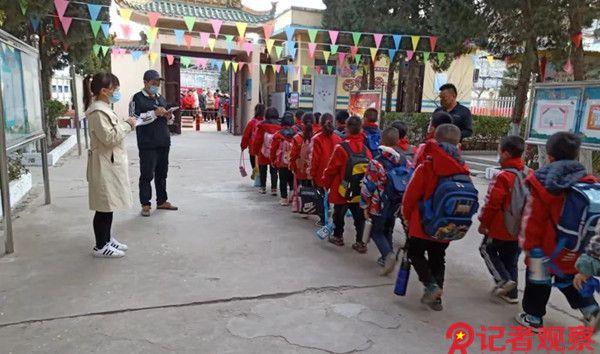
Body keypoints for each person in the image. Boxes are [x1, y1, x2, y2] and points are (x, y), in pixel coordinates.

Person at [516, 132, 600, 331]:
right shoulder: (586, 181)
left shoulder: (542, 181)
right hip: (573, 247)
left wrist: (529, 246)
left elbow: (533, 218)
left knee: (538, 283)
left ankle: (533, 318)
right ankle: (591, 311)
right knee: (571, 280)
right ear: (576, 156)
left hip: (543, 249)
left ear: (549, 156)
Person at [402, 124, 470, 311]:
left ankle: (430, 284)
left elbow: (410, 196)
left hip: (422, 223)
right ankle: (437, 298)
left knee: (415, 253)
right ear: (458, 143)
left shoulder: (427, 166)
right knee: (438, 257)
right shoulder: (463, 168)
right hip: (447, 224)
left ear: (435, 139)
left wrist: (406, 216)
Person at [84, 72, 136, 258]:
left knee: (109, 204)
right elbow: (109, 137)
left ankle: (106, 239)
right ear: (104, 91)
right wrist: (128, 125)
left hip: (109, 161)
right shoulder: (98, 112)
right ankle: (100, 246)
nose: (117, 92)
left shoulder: (104, 108)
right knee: (103, 205)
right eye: (115, 89)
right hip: (103, 163)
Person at [478, 136, 527, 304]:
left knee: (486, 249)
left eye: (499, 151)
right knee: (511, 258)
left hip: (500, 227)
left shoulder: (503, 176)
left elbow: (492, 203)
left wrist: (484, 223)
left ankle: (503, 280)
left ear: (505, 154)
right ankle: (511, 294)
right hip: (520, 228)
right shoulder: (528, 174)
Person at [129, 69, 178, 217]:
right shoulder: (136, 99)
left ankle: (162, 200)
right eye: (153, 83)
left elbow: (169, 120)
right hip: (147, 143)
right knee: (147, 174)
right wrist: (154, 114)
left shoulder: (160, 98)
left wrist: (169, 116)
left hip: (163, 141)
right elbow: (134, 120)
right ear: (145, 82)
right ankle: (145, 203)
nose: (156, 85)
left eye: (158, 83)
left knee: (162, 173)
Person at [361, 127, 409, 275]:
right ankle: (385, 256)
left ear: (382, 140)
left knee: (376, 231)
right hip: (396, 201)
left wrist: (364, 204)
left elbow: (369, 185)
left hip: (379, 202)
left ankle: (388, 254)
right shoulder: (404, 160)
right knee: (388, 228)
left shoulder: (376, 161)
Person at [323, 116, 371, 253]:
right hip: (359, 189)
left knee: (339, 214)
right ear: (360, 129)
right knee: (359, 216)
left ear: (347, 128)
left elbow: (331, 169)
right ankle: (360, 242)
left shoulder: (341, 147)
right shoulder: (365, 149)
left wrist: (326, 184)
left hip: (342, 188)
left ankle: (338, 237)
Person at [310, 113, 342, 225]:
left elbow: (314, 159)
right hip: (334, 171)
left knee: (320, 195)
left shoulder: (316, 138)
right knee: (331, 194)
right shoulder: (338, 138)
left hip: (320, 171)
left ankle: (323, 218)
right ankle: (330, 215)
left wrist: (312, 173)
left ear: (320, 123)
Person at [252, 107, 281, 195]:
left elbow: (258, 139)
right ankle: (274, 189)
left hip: (263, 151)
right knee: (274, 171)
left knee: (263, 170)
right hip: (274, 151)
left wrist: (255, 151)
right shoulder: (279, 126)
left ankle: (263, 187)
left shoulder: (262, 126)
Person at [270, 112, 296, 205]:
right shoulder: (296, 135)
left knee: (283, 180)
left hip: (281, 162)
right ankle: (292, 194)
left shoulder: (278, 135)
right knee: (292, 178)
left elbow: (273, 149)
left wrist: (272, 159)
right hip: (293, 161)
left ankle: (284, 199)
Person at [290, 113, 319, 187]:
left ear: (302, 123)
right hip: (314, 170)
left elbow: (293, 155)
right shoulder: (318, 138)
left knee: (303, 190)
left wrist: (292, 167)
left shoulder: (297, 138)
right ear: (314, 123)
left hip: (301, 170)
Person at [241, 103, 266, 173]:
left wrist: (243, 146)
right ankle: (262, 180)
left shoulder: (251, 122)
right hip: (264, 149)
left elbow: (246, 136)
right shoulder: (266, 122)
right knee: (263, 166)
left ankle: (257, 179)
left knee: (254, 165)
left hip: (253, 149)